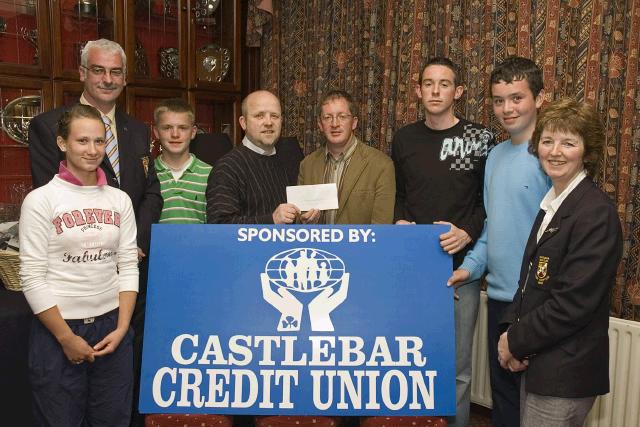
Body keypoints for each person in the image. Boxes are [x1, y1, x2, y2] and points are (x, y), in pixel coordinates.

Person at [27, 38, 161, 426]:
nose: (107, 78)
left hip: (120, 292)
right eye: (98, 70)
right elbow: (48, 204)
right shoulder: (47, 128)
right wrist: (66, 337)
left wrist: (133, 242)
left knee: (114, 409)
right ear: (83, 74)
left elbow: (151, 192)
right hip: (63, 313)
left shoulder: (137, 131)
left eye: (116, 71)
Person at [497, 98, 622, 426]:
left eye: (568, 142)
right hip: (541, 364)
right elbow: (529, 284)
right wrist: (512, 329)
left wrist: (515, 341)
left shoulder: (595, 213)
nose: (555, 151)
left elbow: (571, 304)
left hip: (565, 372)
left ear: (587, 151)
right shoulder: (553, 203)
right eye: (548, 141)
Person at [19, 104, 138, 426]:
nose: (92, 150)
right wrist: (65, 338)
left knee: (112, 419)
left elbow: (127, 265)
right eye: (82, 141)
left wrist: (123, 327)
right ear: (62, 143)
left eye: (99, 142)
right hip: (58, 330)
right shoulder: (41, 200)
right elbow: (31, 276)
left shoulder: (119, 199)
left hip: (112, 327)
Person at [448, 56, 551, 427]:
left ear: (540, 98)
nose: (507, 108)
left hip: (539, 302)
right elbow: (493, 227)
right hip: (501, 299)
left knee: (540, 407)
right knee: (505, 401)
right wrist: (470, 268)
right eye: (498, 100)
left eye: (517, 98)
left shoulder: (552, 156)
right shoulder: (493, 157)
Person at [392, 57, 494, 427]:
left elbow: (487, 201)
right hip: (413, 269)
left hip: (460, 270)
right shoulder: (404, 138)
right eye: (429, 84)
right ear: (418, 90)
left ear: (459, 92)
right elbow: (400, 194)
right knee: (410, 361)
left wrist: (466, 230)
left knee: (457, 369)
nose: (436, 91)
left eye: (445, 84)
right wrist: (399, 218)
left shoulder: (479, 139)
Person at [206, 90, 313, 224]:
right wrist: (271, 220)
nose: (268, 122)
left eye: (274, 116)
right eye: (259, 116)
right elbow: (219, 226)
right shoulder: (227, 168)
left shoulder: (288, 162)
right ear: (243, 122)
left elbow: (287, 219)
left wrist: (302, 219)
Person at [298, 90, 395, 224]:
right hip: (316, 245)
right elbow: (299, 223)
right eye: (327, 117)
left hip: (361, 245)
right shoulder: (307, 165)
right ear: (320, 125)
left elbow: (381, 228)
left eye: (342, 116)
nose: (334, 124)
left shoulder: (381, 165)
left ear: (354, 123)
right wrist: (305, 221)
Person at [153, 98, 212, 224]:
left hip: (200, 244)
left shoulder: (211, 175)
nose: (175, 134)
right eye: (167, 127)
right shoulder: (147, 174)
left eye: (183, 128)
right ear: (156, 132)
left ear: (193, 132)